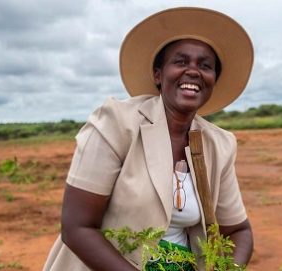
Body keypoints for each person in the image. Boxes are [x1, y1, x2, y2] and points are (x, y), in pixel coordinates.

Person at [43, 7, 254, 271]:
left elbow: (238, 230)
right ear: (158, 74)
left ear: (213, 79)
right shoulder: (116, 123)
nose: (193, 71)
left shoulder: (218, 144)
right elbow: (77, 228)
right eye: (181, 62)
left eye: (205, 65)